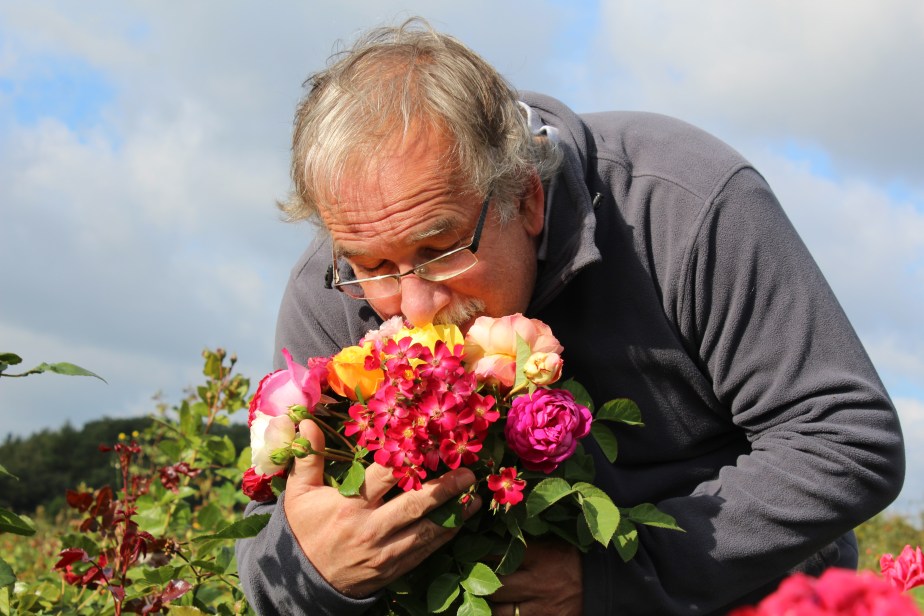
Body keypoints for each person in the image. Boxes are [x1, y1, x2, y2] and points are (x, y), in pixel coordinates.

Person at [235, 18, 905, 616]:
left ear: (526, 198)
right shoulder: (336, 281)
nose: (412, 305)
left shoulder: (682, 206)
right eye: (373, 266)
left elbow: (844, 438)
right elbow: (265, 554)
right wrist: (319, 570)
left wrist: (615, 581)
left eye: (441, 251)